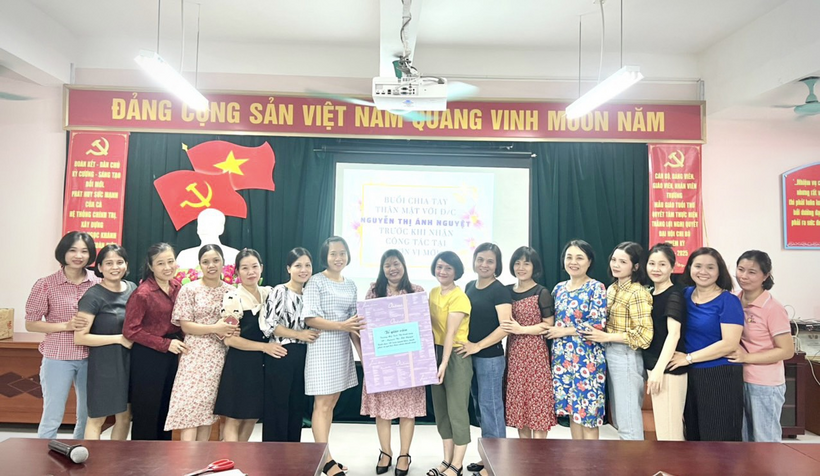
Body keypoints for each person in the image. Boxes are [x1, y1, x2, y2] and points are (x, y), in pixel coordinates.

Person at [25, 231, 99, 439]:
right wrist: (66, 326)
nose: (79, 256)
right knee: (53, 414)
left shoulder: (97, 282)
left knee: (87, 415)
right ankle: (44, 454)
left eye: (84, 251)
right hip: (58, 356)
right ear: (63, 252)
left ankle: (80, 451)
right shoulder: (45, 284)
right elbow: (31, 324)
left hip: (92, 356)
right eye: (73, 250)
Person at [669, 247, 744, 441]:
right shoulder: (683, 295)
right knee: (693, 435)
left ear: (719, 271)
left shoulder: (728, 301)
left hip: (719, 376)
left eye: (710, 267)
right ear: (689, 268)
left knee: (719, 438)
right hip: (689, 375)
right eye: (698, 266)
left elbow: (729, 343)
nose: (703, 272)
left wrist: (688, 358)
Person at [361, 250, 425, 476]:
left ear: (404, 265)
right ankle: (385, 452)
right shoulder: (374, 292)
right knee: (382, 411)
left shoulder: (416, 292)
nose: (392, 269)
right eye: (387, 265)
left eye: (396, 264)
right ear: (382, 269)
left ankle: (404, 455)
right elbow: (366, 325)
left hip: (409, 363)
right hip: (381, 363)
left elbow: (423, 327)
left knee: (408, 410)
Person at [580, 241, 653, 441]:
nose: (616, 265)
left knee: (628, 420)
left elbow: (644, 335)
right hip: (609, 353)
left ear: (635, 266)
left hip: (626, 355)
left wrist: (606, 337)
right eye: (614, 260)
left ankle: (634, 460)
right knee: (619, 419)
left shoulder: (637, 292)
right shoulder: (612, 288)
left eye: (623, 261)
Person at [302, 236, 363, 476]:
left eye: (342, 253)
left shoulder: (351, 284)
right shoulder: (316, 281)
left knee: (332, 403)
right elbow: (310, 318)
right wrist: (342, 326)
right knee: (323, 405)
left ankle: (325, 455)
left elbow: (353, 324)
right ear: (325, 257)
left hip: (342, 349)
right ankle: (325, 460)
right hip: (322, 347)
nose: (338, 258)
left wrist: (362, 355)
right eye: (333, 254)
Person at [164, 244, 238, 441]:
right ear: (200, 265)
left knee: (206, 412)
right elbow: (186, 326)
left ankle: (202, 458)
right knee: (189, 410)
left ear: (223, 263)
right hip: (194, 354)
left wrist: (230, 330)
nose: (211, 265)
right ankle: (187, 458)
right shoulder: (190, 289)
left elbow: (233, 322)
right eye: (206, 262)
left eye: (215, 261)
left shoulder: (231, 291)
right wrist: (215, 328)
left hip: (218, 355)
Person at [214, 249, 288, 441]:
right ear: (237, 272)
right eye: (245, 268)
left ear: (261, 268)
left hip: (262, 365)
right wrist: (264, 347)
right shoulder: (233, 297)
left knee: (252, 416)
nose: (251, 272)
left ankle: (240, 454)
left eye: (254, 266)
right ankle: (232, 458)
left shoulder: (269, 293)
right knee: (234, 418)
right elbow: (230, 339)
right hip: (240, 364)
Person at [456, 243, 512, 476]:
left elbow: (505, 326)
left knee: (491, 408)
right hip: (469, 357)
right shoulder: (469, 286)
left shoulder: (500, 290)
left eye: (490, 261)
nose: (484, 265)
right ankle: (487, 455)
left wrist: (478, 345)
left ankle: (496, 462)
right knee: (480, 407)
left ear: (497, 265)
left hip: (490, 358)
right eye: (480, 259)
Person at [123, 242, 187, 440]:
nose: (167, 267)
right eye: (160, 263)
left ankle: (163, 454)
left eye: (170, 261)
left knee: (166, 409)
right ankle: (142, 457)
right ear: (151, 266)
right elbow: (130, 330)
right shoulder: (143, 293)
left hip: (172, 354)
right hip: (148, 356)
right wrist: (165, 344)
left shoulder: (178, 287)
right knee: (147, 411)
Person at [545, 239, 607, 440]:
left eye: (579, 258)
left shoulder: (596, 287)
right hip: (562, 359)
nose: (573, 262)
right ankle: (578, 457)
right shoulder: (559, 289)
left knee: (588, 415)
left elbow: (597, 323)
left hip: (587, 360)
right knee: (573, 412)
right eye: (569, 257)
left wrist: (563, 331)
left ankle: (591, 460)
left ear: (589, 262)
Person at [728, 250, 793, 442]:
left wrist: (747, 357)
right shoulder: (734, 300)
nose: (744, 276)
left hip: (765, 383)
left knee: (765, 440)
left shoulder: (773, 308)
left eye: (752, 272)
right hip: (739, 378)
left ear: (765, 276)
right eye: (741, 269)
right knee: (744, 441)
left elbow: (787, 351)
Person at [73, 244, 137, 440]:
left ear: (126, 264)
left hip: (130, 362)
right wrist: (118, 339)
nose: (115, 267)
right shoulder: (92, 296)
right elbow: (80, 337)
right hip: (104, 365)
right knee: (97, 419)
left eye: (119, 262)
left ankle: (116, 458)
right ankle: (91, 459)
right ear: (100, 267)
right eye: (109, 263)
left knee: (125, 417)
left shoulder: (133, 288)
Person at [261, 247, 320, 442]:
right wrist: (299, 335)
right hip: (281, 353)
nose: (303, 270)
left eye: (307, 265)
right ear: (288, 268)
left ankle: (292, 452)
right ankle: (273, 454)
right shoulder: (280, 291)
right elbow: (269, 325)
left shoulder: (310, 294)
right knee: (277, 407)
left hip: (303, 356)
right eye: (298, 265)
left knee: (296, 407)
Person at [500, 246, 556, 439]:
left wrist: (522, 329)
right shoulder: (506, 291)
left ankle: (539, 453)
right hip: (514, 354)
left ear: (535, 267)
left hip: (535, 354)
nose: (521, 267)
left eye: (526, 263)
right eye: (517, 263)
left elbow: (548, 325)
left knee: (538, 402)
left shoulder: (542, 292)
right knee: (520, 405)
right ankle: (524, 451)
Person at [427, 251, 472, 476]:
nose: (442, 271)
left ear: (456, 272)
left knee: (457, 410)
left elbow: (450, 333)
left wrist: (444, 363)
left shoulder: (459, 297)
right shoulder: (433, 292)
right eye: (439, 266)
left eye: (448, 268)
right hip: (435, 353)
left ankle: (458, 463)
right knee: (441, 410)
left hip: (455, 355)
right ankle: (446, 460)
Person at [642, 243, 687, 441]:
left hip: (668, 370)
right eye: (652, 263)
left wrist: (659, 370)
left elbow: (674, 334)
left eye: (662, 264)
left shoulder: (674, 294)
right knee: (662, 430)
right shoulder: (650, 293)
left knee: (670, 432)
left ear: (672, 267)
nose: (656, 268)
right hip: (654, 366)